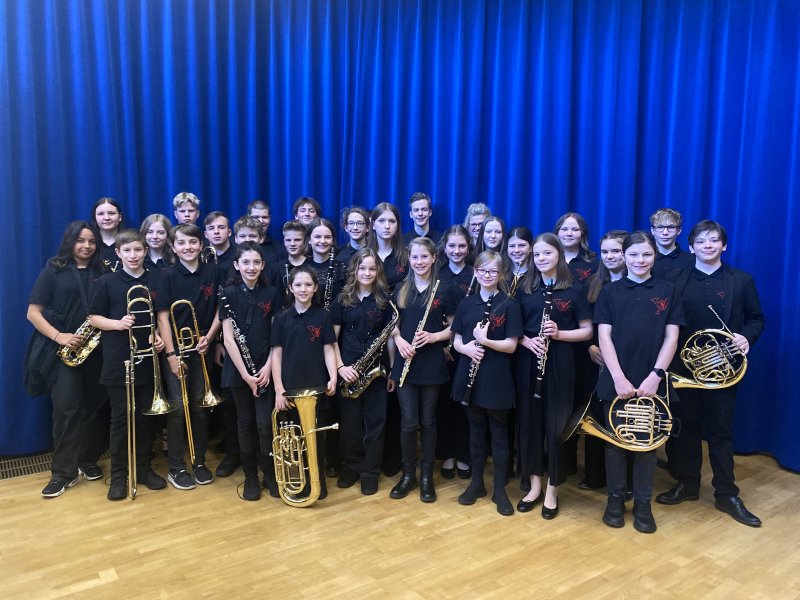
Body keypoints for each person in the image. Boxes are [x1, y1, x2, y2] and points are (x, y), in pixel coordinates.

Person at [655, 220, 765, 527]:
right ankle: (688, 484)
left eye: (714, 240)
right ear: (691, 247)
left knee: (720, 432)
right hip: (684, 370)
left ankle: (726, 494)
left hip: (722, 371)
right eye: (701, 241)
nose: (708, 245)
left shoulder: (741, 280)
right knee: (686, 430)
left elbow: (756, 319)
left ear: (724, 245)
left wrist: (746, 337)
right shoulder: (674, 280)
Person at [594, 231, 683, 533]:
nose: (639, 260)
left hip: (653, 379)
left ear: (655, 256)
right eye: (633, 254)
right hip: (617, 378)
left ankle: (643, 504)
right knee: (615, 445)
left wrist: (656, 375)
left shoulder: (668, 290)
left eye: (646, 254)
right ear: (624, 256)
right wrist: (618, 377)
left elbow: (672, 337)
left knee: (647, 445)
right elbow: (604, 337)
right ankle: (615, 500)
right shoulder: (610, 291)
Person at [516, 233, 593, 519]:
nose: (541, 258)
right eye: (537, 254)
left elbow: (587, 331)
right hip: (529, 361)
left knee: (556, 426)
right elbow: (514, 328)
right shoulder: (525, 288)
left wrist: (559, 334)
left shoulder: (574, 289)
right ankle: (535, 485)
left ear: (559, 254)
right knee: (530, 423)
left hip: (561, 362)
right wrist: (526, 341)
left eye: (547, 253)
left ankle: (552, 489)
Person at [28, 221, 107, 497]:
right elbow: (33, 312)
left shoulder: (102, 271)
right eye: (80, 240)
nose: (87, 246)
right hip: (63, 351)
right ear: (70, 241)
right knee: (67, 409)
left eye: (92, 241)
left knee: (94, 408)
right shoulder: (54, 270)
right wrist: (59, 336)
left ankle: (87, 460)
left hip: (96, 350)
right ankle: (63, 473)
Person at [88, 229, 168, 500]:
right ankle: (119, 474)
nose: (133, 255)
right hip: (118, 360)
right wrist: (117, 324)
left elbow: (159, 316)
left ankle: (143, 469)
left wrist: (158, 336)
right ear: (118, 253)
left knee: (146, 418)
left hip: (147, 359)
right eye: (127, 251)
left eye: (138, 250)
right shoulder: (106, 282)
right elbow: (93, 318)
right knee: (121, 419)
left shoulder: (155, 278)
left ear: (145, 251)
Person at [452, 251, 522, 516]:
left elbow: (511, 346)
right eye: (482, 270)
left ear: (501, 274)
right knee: (476, 432)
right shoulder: (466, 303)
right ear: (475, 272)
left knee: (500, 435)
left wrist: (486, 341)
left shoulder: (509, 304)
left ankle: (500, 490)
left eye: (493, 271)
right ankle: (477, 484)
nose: (487, 275)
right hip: (469, 373)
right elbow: (456, 340)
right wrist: (468, 349)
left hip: (496, 376)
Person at [155, 223, 224, 489]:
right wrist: (171, 355)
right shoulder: (166, 275)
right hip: (176, 349)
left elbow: (221, 309)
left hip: (202, 347)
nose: (188, 247)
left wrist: (211, 336)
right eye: (181, 243)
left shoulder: (214, 271)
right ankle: (176, 467)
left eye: (193, 242)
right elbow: (162, 317)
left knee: (200, 407)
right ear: (173, 247)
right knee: (177, 409)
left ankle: (199, 462)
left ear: (201, 244)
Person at [388, 238, 452, 502]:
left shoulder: (444, 289)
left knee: (428, 420)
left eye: (424, 257)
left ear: (434, 258)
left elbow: (455, 327)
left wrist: (435, 337)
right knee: (408, 421)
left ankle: (426, 477)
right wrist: (399, 340)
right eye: (415, 257)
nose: (419, 262)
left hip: (432, 361)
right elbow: (392, 324)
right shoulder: (400, 288)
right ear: (409, 259)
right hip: (406, 361)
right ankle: (408, 475)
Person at [270, 265, 338, 501]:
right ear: (290, 288)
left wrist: (333, 377)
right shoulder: (281, 318)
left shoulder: (323, 316)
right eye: (298, 285)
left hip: (316, 385)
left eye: (308, 284)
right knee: (293, 437)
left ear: (315, 287)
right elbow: (276, 355)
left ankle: (318, 480)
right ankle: (300, 479)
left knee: (316, 435)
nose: (303, 289)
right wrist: (278, 389)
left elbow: (328, 349)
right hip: (289, 387)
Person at [219, 242, 280, 501]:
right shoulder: (228, 293)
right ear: (236, 265)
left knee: (265, 424)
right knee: (244, 423)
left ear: (263, 265)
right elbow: (228, 338)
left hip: (265, 367)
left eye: (256, 262)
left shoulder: (272, 292)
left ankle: (270, 474)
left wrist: (268, 367)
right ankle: (251, 477)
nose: (251, 267)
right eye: (246, 262)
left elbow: (277, 334)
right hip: (239, 370)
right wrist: (245, 375)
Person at [331, 248, 394, 495]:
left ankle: (370, 471)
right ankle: (351, 466)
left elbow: (390, 337)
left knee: (375, 424)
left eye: (372, 268)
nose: (367, 273)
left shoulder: (384, 301)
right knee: (350, 424)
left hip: (376, 371)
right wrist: (340, 368)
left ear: (378, 271)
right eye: (362, 268)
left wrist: (391, 369)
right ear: (354, 270)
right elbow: (332, 340)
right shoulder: (342, 300)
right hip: (349, 371)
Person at [580, 230, 628, 491]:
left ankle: (624, 482)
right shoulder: (593, 283)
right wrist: (590, 346)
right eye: (605, 252)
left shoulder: (639, 283)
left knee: (623, 417)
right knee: (597, 416)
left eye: (616, 251)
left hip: (628, 360)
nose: (610, 256)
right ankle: (595, 475)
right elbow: (583, 321)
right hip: (596, 361)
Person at [434, 226, 474, 479]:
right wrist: (442, 344)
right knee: (444, 403)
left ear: (468, 248)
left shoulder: (475, 274)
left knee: (465, 403)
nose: (456, 251)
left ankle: (464, 455)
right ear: (444, 248)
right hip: (442, 349)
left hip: (470, 348)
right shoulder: (437, 275)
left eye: (461, 246)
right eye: (452, 246)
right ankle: (447, 454)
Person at [267, 220, 308, 307]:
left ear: (305, 241)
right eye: (288, 240)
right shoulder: (274, 268)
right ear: (284, 241)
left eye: (297, 240)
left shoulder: (312, 266)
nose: (292, 244)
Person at [368, 202, 408, 290]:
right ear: (373, 225)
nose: (387, 226)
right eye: (381, 221)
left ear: (397, 225)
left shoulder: (406, 256)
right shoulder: (363, 256)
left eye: (392, 221)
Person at [554, 212, 598, 284]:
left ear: (583, 233)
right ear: (557, 232)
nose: (569, 234)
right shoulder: (548, 260)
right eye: (564, 229)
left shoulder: (594, 263)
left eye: (575, 229)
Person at [649, 208, 694, 278]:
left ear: (679, 231)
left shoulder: (691, 260)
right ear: (652, 230)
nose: (665, 232)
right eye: (660, 227)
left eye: (671, 227)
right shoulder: (644, 260)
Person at [91, 197, 124, 271]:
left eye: (111, 213)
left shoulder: (130, 242)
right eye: (101, 214)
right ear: (95, 218)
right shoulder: (89, 245)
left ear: (120, 217)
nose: (106, 218)